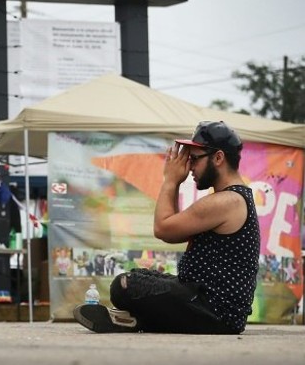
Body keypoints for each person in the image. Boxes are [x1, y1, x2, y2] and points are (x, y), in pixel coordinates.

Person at [74, 121, 260, 334]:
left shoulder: (227, 201)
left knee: (124, 285)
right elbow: (174, 233)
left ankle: (140, 319)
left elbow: (163, 228)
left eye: (194, 159)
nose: (189, 167)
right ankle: (139, 319)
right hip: (206, 303)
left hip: (213, 310)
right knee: (143, 276)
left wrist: (170, 181)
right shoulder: (233, 198)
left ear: (218, 158)